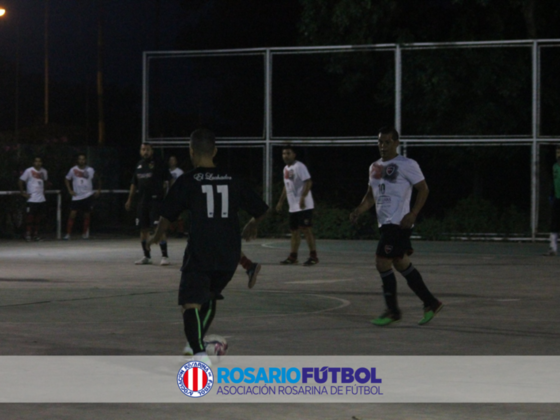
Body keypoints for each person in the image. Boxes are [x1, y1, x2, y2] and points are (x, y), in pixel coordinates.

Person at [147, 128, 268, 363]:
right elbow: (262, 210)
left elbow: (166, 217)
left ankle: (199, 355)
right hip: (229, 255)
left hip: (201, 251)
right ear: (215, 151)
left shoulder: (187, 181)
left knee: (190, 304)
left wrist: (156, 235)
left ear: (191, 151)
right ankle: (197, 346)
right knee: (210, 298)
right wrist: (253, 224)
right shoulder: (233, 179)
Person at [350, 126, 443, 326]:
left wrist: (413, 213)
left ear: (397, 143)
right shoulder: (374, 166)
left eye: (387, 142)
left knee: (382, 261)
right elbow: (370, 196)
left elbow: (423, 189)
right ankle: (431, 302)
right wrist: (359, 209)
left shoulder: (406, 164)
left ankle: (392, 311)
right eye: (380, 142)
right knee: (401, 263)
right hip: (385, 223)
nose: (383, 146)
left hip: (399, 223)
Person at [125, 143, 172, 266]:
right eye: (143, 149)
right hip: (142, 201)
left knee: (158, 228)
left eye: (147, 149)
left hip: (156, 201)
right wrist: (130, 199)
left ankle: (164, 255)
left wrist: (170, 195)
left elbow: (169, 179)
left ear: (152, 151)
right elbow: (134, 183)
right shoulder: (139, 165)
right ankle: (146, 256)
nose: (145, 152)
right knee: (143, 229)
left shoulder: (159, 163)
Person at [275, 145, 319, 266]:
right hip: (293, 206)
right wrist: (280, 201)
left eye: (288, 153)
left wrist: (303, 197)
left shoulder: (299, 166)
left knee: (306, 230)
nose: (285, 156)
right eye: (284, 153)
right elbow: (286, 185)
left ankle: (313, 256)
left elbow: (308, 182)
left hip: (304, 205)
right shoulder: (285, 169)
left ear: (294, 154)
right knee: (294, 231)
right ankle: (293, 256)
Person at [63, 153, 101, 240]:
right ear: (77, 160)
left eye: (83, 159)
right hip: (76, 196)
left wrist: (98, 190)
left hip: (87, 195)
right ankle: (68, 234)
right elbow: (67, 179)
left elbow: (98, 179)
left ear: (85, 160)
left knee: (87, 215)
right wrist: (70, 190)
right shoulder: (73, 170)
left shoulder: (90, 170)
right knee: (72, 214)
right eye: (80, 159)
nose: (81, 161)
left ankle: (84, 233)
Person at [18, 157, 48, 242]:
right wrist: (22, 193)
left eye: (39, 161)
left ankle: (35, 234)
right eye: (36, 161)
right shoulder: (29, 171)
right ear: (33, 162)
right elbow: (20, 181)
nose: (38, 163)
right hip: (31, 199)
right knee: (30, 217)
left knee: (38, 218)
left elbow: (45, 182)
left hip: (41, 199)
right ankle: (28, 234)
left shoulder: (44, 171)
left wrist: (44, 192)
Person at [544, 145, 560, 256]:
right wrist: (552, 194)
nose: (558, 154)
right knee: (554, 223)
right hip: (557, 199)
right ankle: (553, 248)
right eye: (557, 152)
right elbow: (555, 183)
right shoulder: (555, 166)